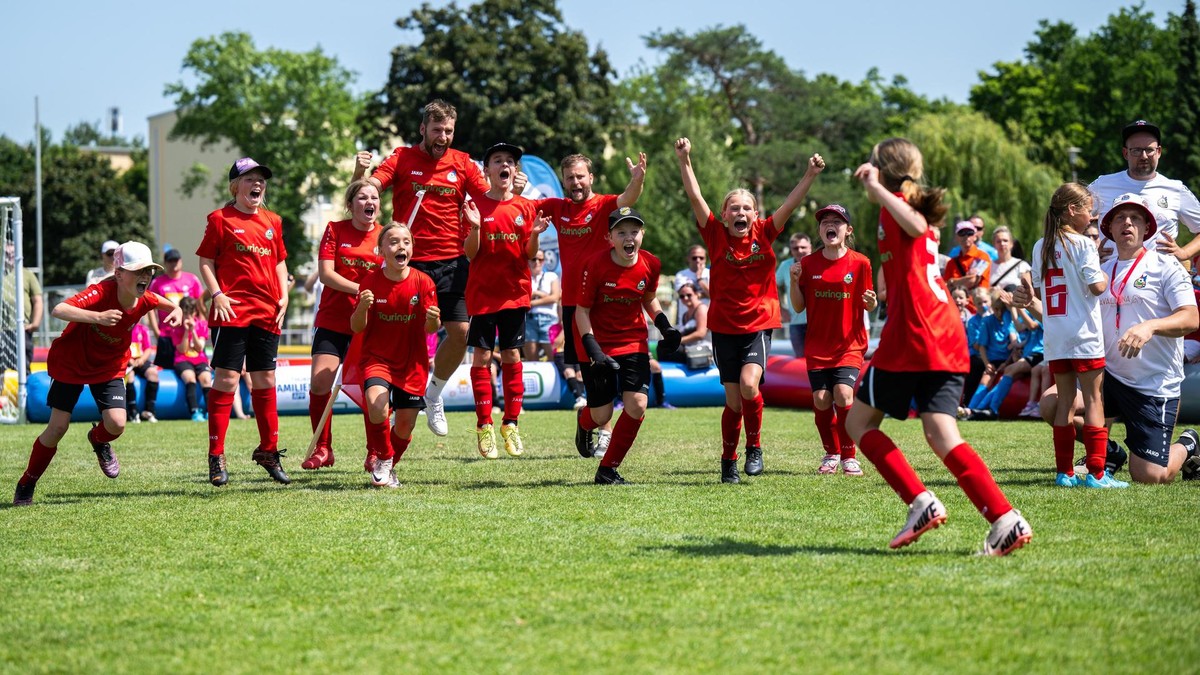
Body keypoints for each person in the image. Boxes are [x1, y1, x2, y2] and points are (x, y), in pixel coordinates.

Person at [844, 137, 1031, 556]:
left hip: (914, 332)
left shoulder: (895, 204)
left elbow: (912, 228)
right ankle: (1005, 518)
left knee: (857, 424)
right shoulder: (909, 203)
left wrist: (876, 190)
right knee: (941, 432)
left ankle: (921, 502)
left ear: (881, 166)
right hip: (942, 329)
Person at [675, 136, 823, 483]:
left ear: (754, 214)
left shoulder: (765, 232)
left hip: (759, 323)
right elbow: (695, 196)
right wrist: (685, 159)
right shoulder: (714, 234)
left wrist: (810, 175)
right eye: (734, 208)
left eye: (746, 208)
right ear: (724, 215)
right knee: (734, 402)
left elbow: (789, 203)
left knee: (748, 385)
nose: (740, 213)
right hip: (724, 327)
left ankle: (754, 448)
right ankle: (728, 459)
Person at [1022, 193, 1199, 484]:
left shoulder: (1165, 266)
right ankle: (1108, 453)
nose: (1127, 222)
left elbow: (1191, 319)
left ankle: (1189, 442)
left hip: (1153, 385)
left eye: (1135, 218)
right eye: (1119, 217)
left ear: (1147, 228)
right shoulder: (1097, 268)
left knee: (1150, 475)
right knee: (1051, 403)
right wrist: (1030, 302)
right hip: (1109, 377)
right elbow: (1066, 315)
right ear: (1109, 229)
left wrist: (1150, 327)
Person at [353, 100, 493, 439]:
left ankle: (434, 394)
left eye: (448, 131)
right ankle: (387, 401)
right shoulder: (401, 157)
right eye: (436, 130)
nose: (442, 137)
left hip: (452, 263)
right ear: (422, 130)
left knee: (460, 333)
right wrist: (361, 174)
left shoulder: (461, 163)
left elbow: (490, 199)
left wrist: (512, 193)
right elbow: (369, 190)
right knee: (403, 336)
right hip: (408, 263)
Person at [13, 242, 182, 506]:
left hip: (109, 365)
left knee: (117, 423)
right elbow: (59, 310)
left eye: (149, 270)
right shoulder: (100, 291)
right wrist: (98, 317)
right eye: (138, 270)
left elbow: (168, 304)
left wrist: (178, 310)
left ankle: (97, 439)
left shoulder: (146, 298)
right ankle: (27, 483)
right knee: (57, 428)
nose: (145, 276)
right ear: (118, 274)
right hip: (72, 362)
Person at [534, 151, 646, 454]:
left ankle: (602, 431)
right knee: (592, 371)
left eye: (580, 176)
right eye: (570, 177)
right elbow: (519, 209)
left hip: (605, 302)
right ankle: (592, 424)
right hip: (573, 305)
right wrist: (515, 190)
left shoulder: (604, 205)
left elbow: (628, 198)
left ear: (590, 178)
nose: (575, 182)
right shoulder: (557, 208)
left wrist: (638, 179)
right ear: (563, 181)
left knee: (607, 368)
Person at [197, 157, 291, 487]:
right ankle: (216, 455)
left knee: (264, 381)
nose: (258, 183)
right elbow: (205, 262)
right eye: (250, 178)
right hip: (231, 312)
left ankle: (268, 451)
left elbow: (280, 262)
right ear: (235, 186)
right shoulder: (220, 219)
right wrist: (217, 294)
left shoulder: (273, 221)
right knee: (226, 379)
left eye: (261, 179)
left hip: (267, 312)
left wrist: (285, 296)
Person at [573, 207, 680, 484]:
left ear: (642, 234)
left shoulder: (651, 264)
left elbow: (648, 298)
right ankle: (584, 421)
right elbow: (581, 311)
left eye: (634, 231)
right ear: (609, 238)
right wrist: (592, 347)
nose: (628, 237)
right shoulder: (594, 265)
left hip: (634, 341)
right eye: (621, 232)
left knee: (637, 405)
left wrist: (664, 325)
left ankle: (607, 470)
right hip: (597, 344)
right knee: (602, 415)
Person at [463, 142, 550, 459]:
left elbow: (528, 254)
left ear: (516, 171)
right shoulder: (474, 206)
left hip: (515, 294)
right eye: (497, 160)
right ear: (487, 170)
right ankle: (484, 425)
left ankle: (510, 424)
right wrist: (474, 228)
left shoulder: (526, 208)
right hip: (483, 296)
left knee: (513, 356)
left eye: (510, 161)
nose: (504, 165)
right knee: (482, 359)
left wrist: (536, 234)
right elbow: (471, 253)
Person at [1029, 182, 1116, 487]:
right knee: (1094, 400)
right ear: (1072, 210)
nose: (1092, 217)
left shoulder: (1040, 245)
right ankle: (1096, 473)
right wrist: (1103, 268)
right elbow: (1097, 287)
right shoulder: (1082, 244)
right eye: (1089, 210)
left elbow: (1039, 289)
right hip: (1084, 335)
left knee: (1065, 402)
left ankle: (1064, 473)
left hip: (1056, 336)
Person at [300, 180, 383, 471]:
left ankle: (375, 452)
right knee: (320, 382)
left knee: (370, 388)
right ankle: (323, 449)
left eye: (374, 197)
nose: (369, 202)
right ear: (350, 205)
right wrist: (360, 288)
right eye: (362, 197)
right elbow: (325, 274)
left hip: (370, 324)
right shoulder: (335, 229)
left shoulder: (386, 236)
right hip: (333, 319)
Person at [351, 222, 440, 488]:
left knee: (405, 426)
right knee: (377, 405)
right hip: (377, 359)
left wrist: (434, 320)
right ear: (381, 251)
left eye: (406, 241)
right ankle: (385, 458)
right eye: (393, 242)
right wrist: (362, 308)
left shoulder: (423, 282)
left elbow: (431, 329)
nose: (400, 246)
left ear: (412, 248)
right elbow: (357, 327)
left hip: (412, 364)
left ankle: (388, 464)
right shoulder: (369, 283)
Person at [788, 204, 875, 476]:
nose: (830, 225)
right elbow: (799, 307)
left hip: (850, 344)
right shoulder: (808, 264)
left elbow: (869, 302)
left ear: (848, 230)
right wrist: (793, 282)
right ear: (819, 230)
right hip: (817, 345)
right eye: (825, 221)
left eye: (837, 222)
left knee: (843, 393)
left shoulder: (861, 263)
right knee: (822, 398)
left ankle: (849, 455)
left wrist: (871, 303)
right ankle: (831, 452)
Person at [1089, 120, 1200, 263]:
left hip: (1160, 279)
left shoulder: (1175, 189)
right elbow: (1070, 220)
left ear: (1158, 152)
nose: (1143, 156)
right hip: (1113, 277)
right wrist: (1090, 252)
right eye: (1136, 150)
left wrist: (1184, 253)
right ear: (1125, 153)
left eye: (1149, 150)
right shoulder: (1102, 185)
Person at [148, 248, 204, 371]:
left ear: (181, 261)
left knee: (191, 369)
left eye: (176, 260)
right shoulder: (158, 282)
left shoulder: (192, 279)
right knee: (166, 370)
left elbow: (200, 304)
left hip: (186, 334)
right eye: (170, 261)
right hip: (166, 333)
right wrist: (156, 330)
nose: (174, 263)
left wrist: (200, 326)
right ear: (165, 263)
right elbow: (150, 306)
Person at [167, 296, 214, 422]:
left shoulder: (202, 325)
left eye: (190, 313)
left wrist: (193, 331)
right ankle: (194, 411)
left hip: (199, 359)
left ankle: (211, 411)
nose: (188, 317)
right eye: (185, 313)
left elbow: (200, 348)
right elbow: (182, 349)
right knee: (190, 378)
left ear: (195, 313)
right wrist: (186, 332)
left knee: (206, 379)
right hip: (182, 359)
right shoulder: (176, 326)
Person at [2, 241, 42, 375]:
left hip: (21, 329)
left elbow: (37, 300)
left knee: (24, 368)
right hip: (2, 330)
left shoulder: (27, 274)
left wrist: (35, 323)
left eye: (13, 254)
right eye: (7, 254)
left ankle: (26, 396)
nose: (10, 257)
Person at [776, 233, 812, 357]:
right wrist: (781, 309)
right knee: (801, 363)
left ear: (810, 247)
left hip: (818, 322)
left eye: (803, 247)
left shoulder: (819, 264)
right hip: (795, 323)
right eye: (795, 248)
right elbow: (773, 285)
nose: (800, 251)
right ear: (791, 250)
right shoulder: (785, 266)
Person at [658, 282, 709, 365]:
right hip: (689, 349)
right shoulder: (685, 314)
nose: (685, 298)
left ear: (696, 294)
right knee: (662, 345)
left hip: (701, 351)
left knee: (665, 348)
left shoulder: (701, 309)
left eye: (689, 295)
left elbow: (701, 333)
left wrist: (678, 341)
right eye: (682, 296)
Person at [524, 251, 560, 361]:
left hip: (549, 320)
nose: (537, 262)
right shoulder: (525, 279)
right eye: (534, 259)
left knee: (554, 358)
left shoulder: (551, 276)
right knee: (532, 360)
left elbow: (555, 297)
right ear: (528, 261)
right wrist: (545, 297)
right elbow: (522, 300)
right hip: (529, 321)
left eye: (540, 259)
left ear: (544, 261)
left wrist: (535, 297)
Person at [123, 317, 158, 423]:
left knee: (153, 374)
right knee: (130, 377)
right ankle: (133, 411)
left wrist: (142, 359)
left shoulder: (143, 329)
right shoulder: (123, 329)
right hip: (128, 361)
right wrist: (129, 360)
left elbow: (148, 348)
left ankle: (149, 411)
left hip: (141, 360)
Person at [943, 221, 992, 292]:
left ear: (975, 237)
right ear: (956, 238)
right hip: (956, 302)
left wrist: (952, 281)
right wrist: (954, 282)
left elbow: (971, 281)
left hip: (976, 301)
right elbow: (946, 286)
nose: (966, 236)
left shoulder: (982, 256)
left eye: (970, 233)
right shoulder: (951, 263)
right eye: (961, 233)